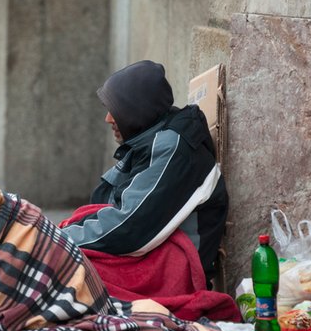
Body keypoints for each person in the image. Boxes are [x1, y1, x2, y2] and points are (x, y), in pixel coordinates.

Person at [61, 60, 228, 289]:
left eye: (117, 110)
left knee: (61, 269)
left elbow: (129, 228)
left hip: (179, 270)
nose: (108, 119)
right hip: (150, 252)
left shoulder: (173, 147)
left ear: (138, 110)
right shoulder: (148, 138)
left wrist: (56, 240)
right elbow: (104, 203)